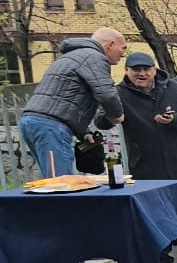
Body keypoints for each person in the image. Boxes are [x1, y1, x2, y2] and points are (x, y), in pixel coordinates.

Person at [16, 28, 126, 179]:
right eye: (122, 48)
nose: (124, 54)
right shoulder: (94, 57)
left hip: (34, 121)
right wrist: (116, 115)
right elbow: (106, 94)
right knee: (60, 184)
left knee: (52, 180)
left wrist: (83, 132)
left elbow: (65, 99)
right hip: (51, 127)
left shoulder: (72, 57)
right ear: (110, 44)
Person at [115, 50, 177, 186]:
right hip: (145, 171)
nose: (142, 73)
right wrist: (112, 116)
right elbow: (101, 121)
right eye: (136, 69)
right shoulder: (118, 94)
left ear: (154, 70)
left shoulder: (173, 88)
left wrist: (174, 119)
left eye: (146, 69)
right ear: (126, 70)